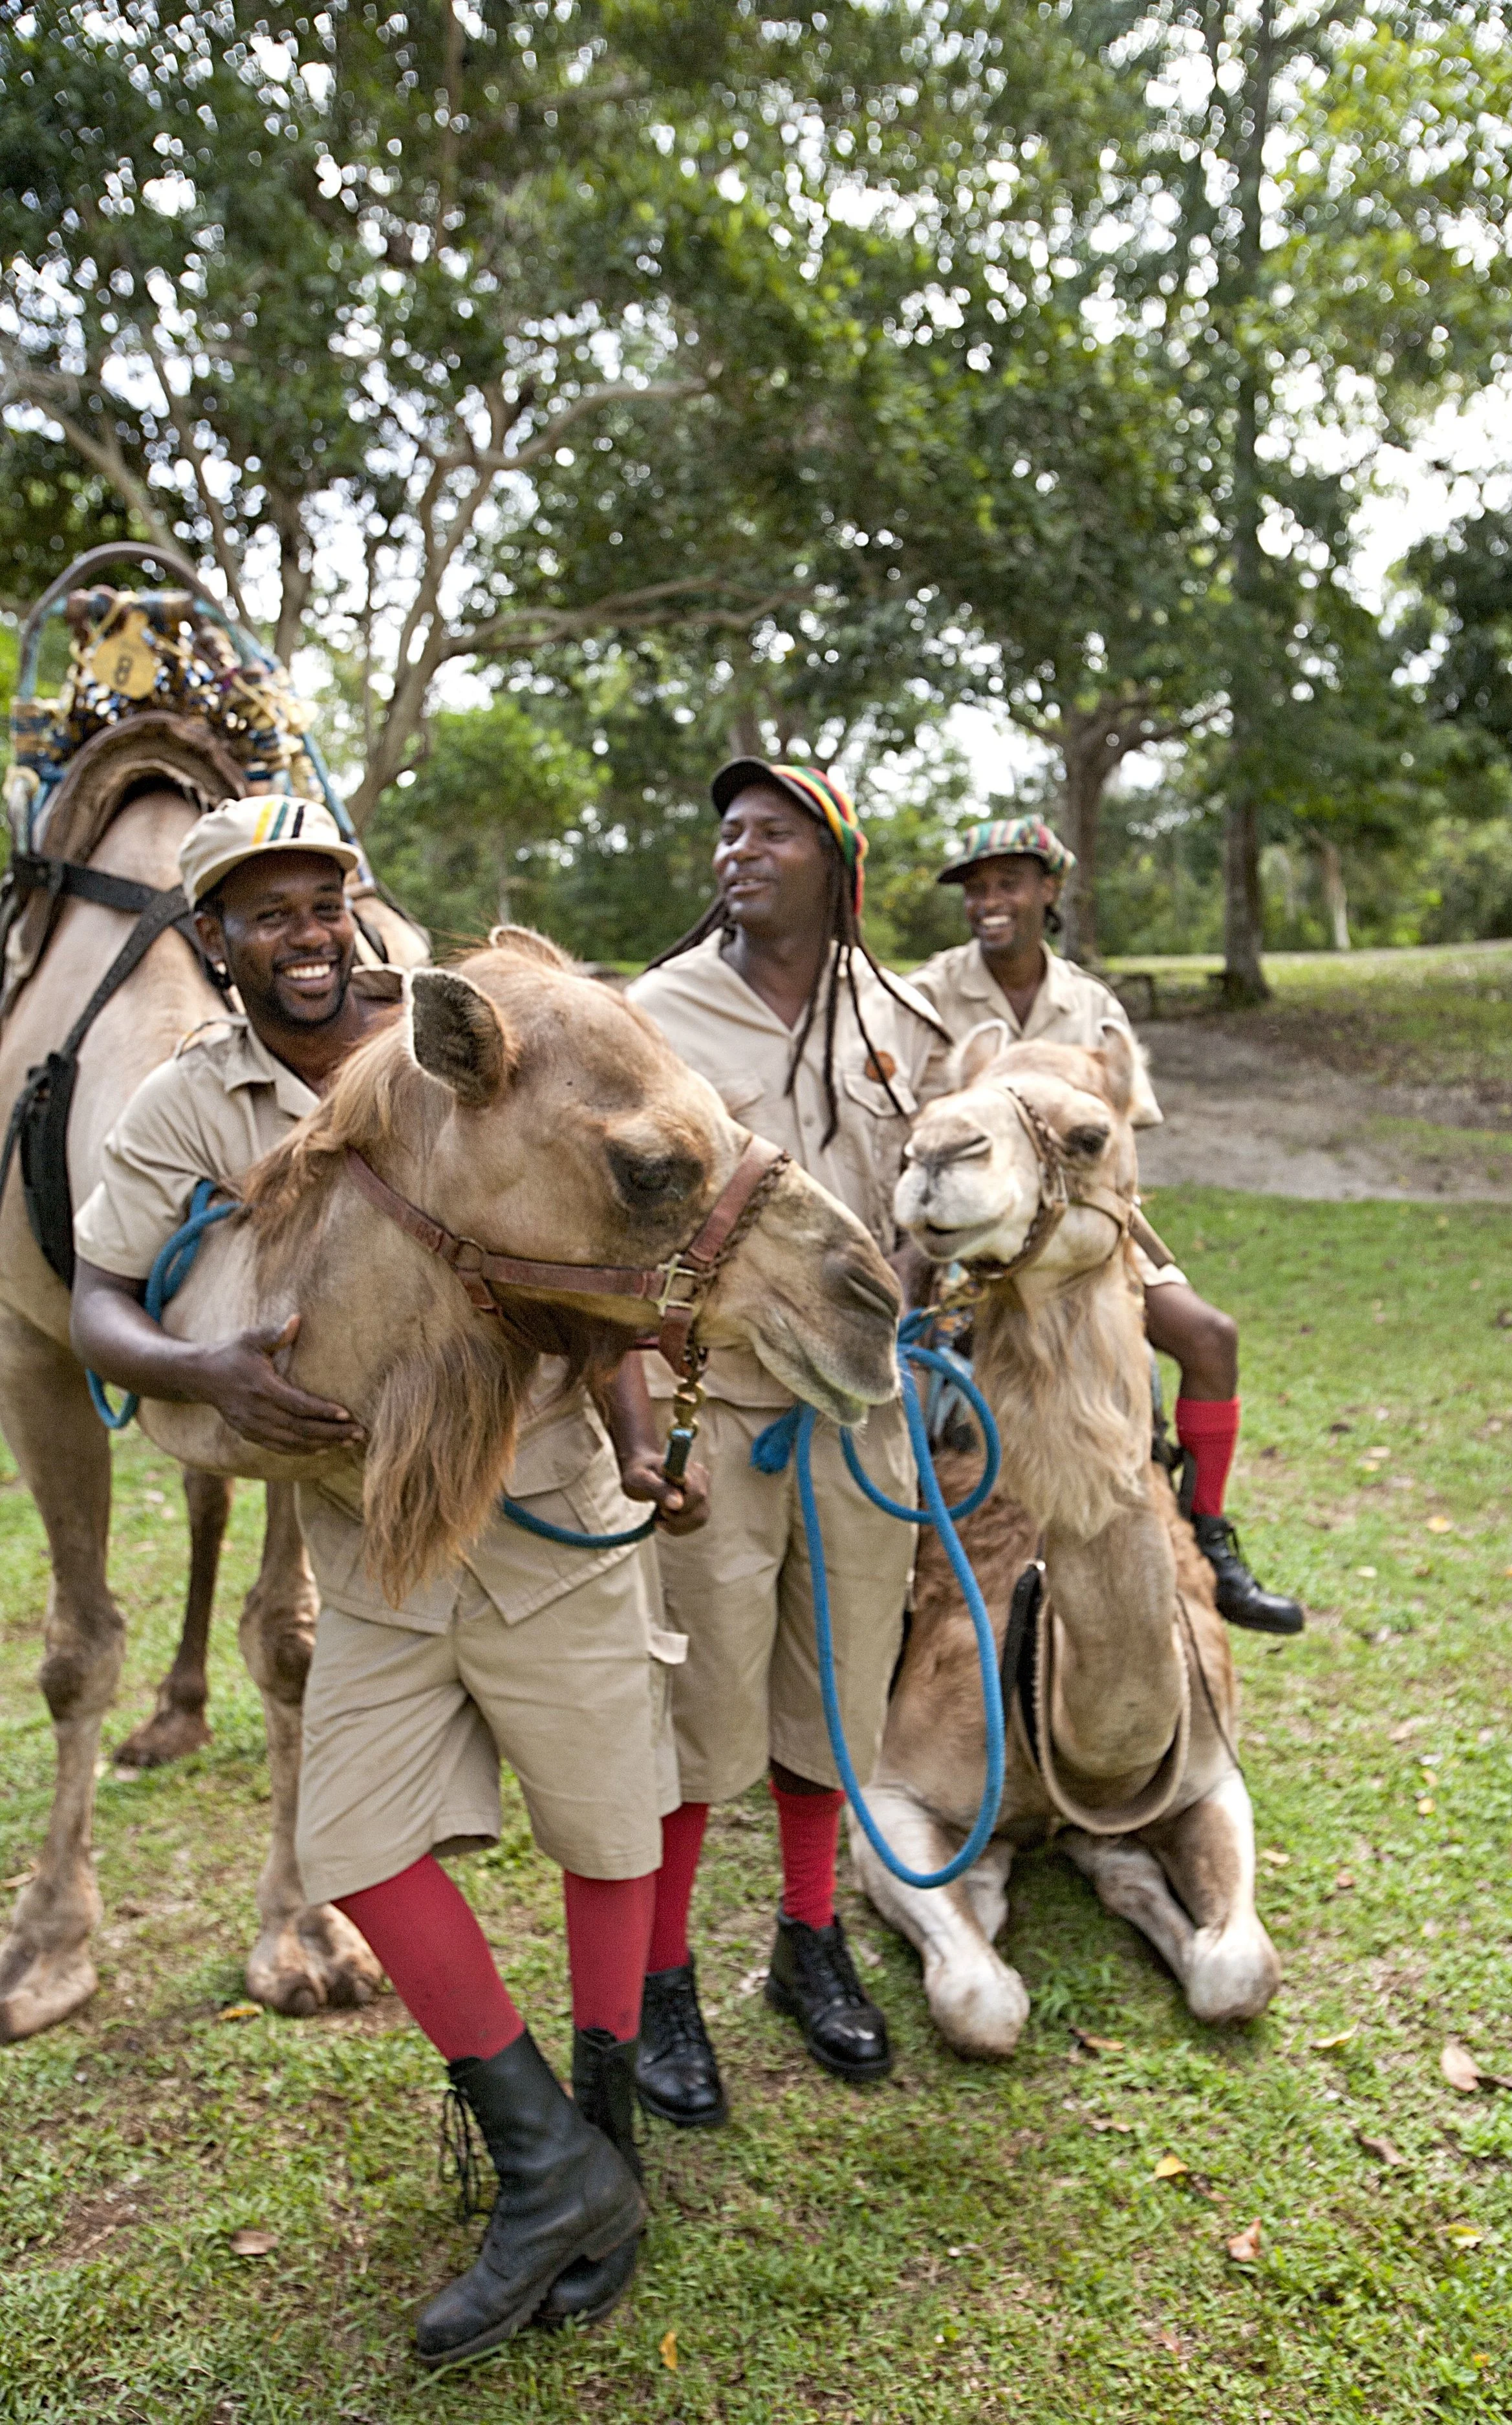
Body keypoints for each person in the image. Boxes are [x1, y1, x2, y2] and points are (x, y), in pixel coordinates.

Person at [69, 795, 707, 2365]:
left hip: (547, 1495)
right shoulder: (180, 1103)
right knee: (354, 1842)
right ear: (209, 939)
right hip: (368, 1532)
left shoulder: (470, 1036)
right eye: (260, 912)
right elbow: (93, 1294)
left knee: (609, 1820)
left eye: (319, 901)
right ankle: (553, 2159)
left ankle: (597, 2136)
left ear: (355, 906)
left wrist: (635, 1422)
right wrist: (198, 1359)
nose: (300, 933)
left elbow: (613, 1249)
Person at [626, 760, 951, 2124]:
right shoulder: (650, 1016)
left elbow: (936, 1195)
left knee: (836, 1689)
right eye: (725, 832)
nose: (737, 851)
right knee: (700, 1709)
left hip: (864, 1415)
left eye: (770, 831)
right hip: (720, 1400)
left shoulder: (903, 1019)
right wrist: (648, 1417)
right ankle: (661, 1980)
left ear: (836, 860)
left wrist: (930, 1271)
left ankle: (807, 1944)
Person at [910, 815, 1304, 1637]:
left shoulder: (1088, 1003)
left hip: (1074, 1229)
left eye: (1009, 883)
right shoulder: (925, 995)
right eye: (977, 888)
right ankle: (900, 1581)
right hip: (972, 1228)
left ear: (1049, 890)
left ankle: (1206, 1531)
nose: (991, 902)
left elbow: (1124, 1136)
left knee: (1205, 1338)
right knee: (900, 1382)